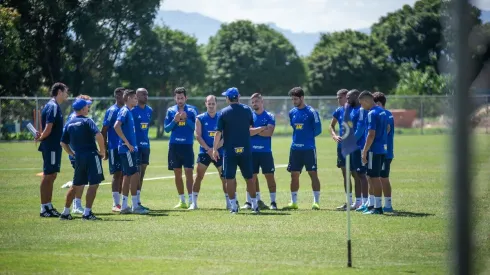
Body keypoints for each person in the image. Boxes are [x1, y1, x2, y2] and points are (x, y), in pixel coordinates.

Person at [212, 87, 267, 214]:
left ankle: (234, 207)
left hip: (229, 150)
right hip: (245, 149)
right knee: (249, 177)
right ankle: (254, 206)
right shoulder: (247, 110)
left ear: (228, 98)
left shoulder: (223, 112)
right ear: (238, 97)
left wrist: (215, 149)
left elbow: (218, 133)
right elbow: (250, 128)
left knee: (229, 178)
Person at [59, 98, 106, 220]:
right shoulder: (87, 121)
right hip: (91, 155)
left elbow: (63, 143)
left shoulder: (69, 123)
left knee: (76, 185)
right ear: (83, 109)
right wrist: (102, 151)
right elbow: (99, 135)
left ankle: (65, 212)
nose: (88, 108)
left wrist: (72, 153)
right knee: (94, 184)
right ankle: (87, 213)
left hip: (79, 157)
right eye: (87, 107)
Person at [188, 95, 230, 210]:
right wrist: (209, 149)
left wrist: (215, 149)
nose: (211, 106)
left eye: (213, 104)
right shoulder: (200, 118)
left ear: (216, 104)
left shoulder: (222, 117)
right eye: (209, 103)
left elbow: (225, 136)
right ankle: (194, 203)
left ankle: (229, 202)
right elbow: (198, 135)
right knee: (198, 177)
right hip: (205, 152)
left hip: (219, 152)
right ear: (205, 104)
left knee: (224, 177)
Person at [284, 87, 322, 210]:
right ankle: (293, 202)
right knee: (294, 175)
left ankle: (316, 202)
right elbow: (294, 127)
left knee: (313, 174)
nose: (294, 101)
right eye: (292, 99)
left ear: (302, 98)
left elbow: (318, 129)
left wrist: (308, 138)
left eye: (296, 99)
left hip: (309, 149)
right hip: (295, 149)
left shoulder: (312, 112)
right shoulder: (292, 112)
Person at [36, 82, 69, 217]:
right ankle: (44, 208)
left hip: (54, 146)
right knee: (48, 175)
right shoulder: (53, 106)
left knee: (52, 175)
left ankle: (48, 205)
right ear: (59, 92)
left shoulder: (54, 106)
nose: (67, 94)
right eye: (66, 91)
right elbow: (49, 127)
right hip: (51, 147)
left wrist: (41, 135)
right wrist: (42, 137)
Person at [114, 89, 149, 215]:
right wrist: (127, 143)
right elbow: (116, 126)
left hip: (130, 149)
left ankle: (124, 205)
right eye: (134, 98)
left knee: (128, 175)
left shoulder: (129, 111)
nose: (136, 100)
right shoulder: (124, 111)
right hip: (127, 150)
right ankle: (135, 205)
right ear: (128, 98)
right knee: (134, 174)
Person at [242, 93, 278, 210]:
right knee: (251, 177)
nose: (254, 104)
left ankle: (273, 202)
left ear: (262, 102)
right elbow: (248, 132)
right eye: (252, 102)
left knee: (269, 177)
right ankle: (253, 202)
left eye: (256, 101)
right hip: (251, 152)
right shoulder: (249, 116)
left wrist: (255, 130)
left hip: (265, 152)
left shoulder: (269, 116)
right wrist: (262, 128)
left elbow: (269, 133)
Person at [164, 87, 199, 209]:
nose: (179, 100)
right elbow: (167, 129)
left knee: (189, 173)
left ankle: (191, 201)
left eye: (182, 98)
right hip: (174, 146)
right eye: (178, 98)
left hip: (188, 145)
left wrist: (186, 119)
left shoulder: (193, 110)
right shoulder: (170, 111)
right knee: (177, 173)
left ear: (186, 98)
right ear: (175, 98)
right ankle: (182, 200)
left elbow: (196, 128)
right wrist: (175, 120)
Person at [61, 94, 93, 215]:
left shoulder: (80, 117)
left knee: (82, 180)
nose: (88, 108)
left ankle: (76, 204)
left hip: (81, 153)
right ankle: (75, 205)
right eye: (87, 105)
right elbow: (66, 139)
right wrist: (73, 153)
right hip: (78, 154)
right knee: (79, 180)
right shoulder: (74, 118)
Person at [358, 91, 388, 215]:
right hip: (382, 149)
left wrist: (364, 151)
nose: (361, 107)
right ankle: (373, 206)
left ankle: (377, 207)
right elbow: (387, 129)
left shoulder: (371, 113)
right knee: (373, 177)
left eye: (361, 104)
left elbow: (371, 134)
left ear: (366, 101)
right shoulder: (383, 111)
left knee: (373, 178)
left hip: (374, 150)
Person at [343, 90, 369, 211]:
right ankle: (358, 202)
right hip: (352, 147)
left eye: (348, 98)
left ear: (355, 97)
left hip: (359, 147)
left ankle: (366, 202)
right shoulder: (351, 109)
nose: (347, 100)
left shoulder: (361, 110)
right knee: (357, 174)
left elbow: (361, 128)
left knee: (362, 175)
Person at [102, 87, 125, 212]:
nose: (125, 97)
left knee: (124, 175)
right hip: (114, 147)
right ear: (117, 96)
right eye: (123, 95)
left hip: (126, 147)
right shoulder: (112, 111)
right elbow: (104, 130)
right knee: (117, 174)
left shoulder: (127, 110)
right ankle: (116, 203)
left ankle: (122, 202)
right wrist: (104, 149)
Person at [329, 89, 351, 210]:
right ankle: (349, 201)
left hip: (352, 147)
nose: (338, 100)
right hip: (341, 147)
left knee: (357, 174)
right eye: (337, 98)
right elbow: (331, 125)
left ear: (347, 97)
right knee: (345, 174)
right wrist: (334, 135)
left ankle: (361, 201)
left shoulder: (354, 110)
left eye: (340, 97)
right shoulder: (338, 111)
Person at [373, 92, 394, 213]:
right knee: (380, 177)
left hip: (384, 152)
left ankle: (388, 205)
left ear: (379, 104)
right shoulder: (388, 114)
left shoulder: (384, 115)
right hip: (386, 151)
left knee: (383, 177)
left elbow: (384, 132)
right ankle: (383, 204)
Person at [131, 88, 152, 210]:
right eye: (143, 94)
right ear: (137, 96)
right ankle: (134, 201)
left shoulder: (149, 110)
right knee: (136, 174)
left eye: (147, 94)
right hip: (136, 146)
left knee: (142, 174)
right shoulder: (132, 111)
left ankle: (138, 200)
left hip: (146, 146)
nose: (146, 96)